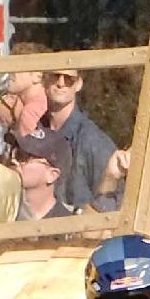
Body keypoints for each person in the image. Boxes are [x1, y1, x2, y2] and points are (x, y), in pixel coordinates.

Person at [39, 66, 121, 211]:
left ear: (79, 84)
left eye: (69, 78)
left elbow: (113, 201)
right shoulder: (38, 130)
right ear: (45, 80)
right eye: (55, 76)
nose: (61, 83)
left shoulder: (93, 141)